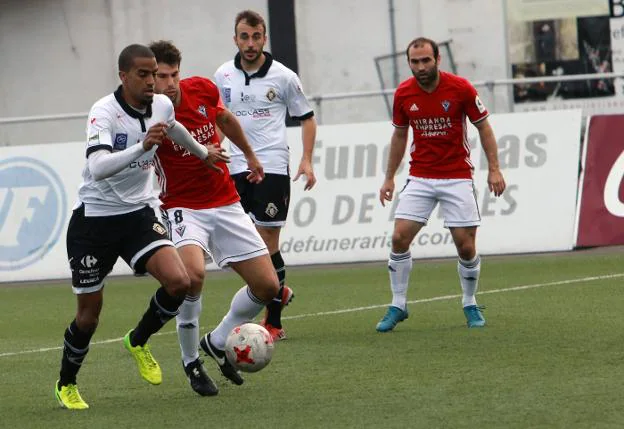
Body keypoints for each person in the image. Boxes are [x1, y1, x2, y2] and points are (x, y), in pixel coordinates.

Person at [55, 44, 229, 410]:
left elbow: (174, 128)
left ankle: (137, 339)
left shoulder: (162, 105)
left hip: (138, 212)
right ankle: (66, 383)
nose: (153, 82)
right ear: (124, 76)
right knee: (88, 317)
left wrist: (203, 154)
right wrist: (141, 147)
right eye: (144, 75)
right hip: (94, 220)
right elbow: (98, 166)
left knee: (180, 282)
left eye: (155, 74)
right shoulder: (104, 112)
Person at [149, 40, 280, 394]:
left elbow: (225, 118)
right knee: (191, 277)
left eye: (174, 74)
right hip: (182, 207)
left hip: (225, 202)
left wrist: (250, 156)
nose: (170, 83)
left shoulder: (203, 89)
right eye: (161, 77)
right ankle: (191, 362)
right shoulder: (148, 116)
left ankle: (218, 340)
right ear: (149, 78)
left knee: (269, 287)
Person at [376, 37, 506, 332]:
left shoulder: (460, 88)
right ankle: (398, 304)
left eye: (426, 61)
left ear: (437, 60)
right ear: (409, 63)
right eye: (414, 62)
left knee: (465, 245)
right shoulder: (403, 94)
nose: (420, 67)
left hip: (456, 176)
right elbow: (399, 136)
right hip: (420, 176)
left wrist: (494, 169)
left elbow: (484, 127)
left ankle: (470, 302)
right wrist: (388, 177)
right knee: (398, 238)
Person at [214, 10, 317, 340]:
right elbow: (218, 118)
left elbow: (307, 118)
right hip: (233, 166)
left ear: (264, 38)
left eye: (256, 36)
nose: (250, 43)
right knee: (230, 244)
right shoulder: (223, 75)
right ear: (235, 39)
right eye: (244, 36)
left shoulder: (285, 77)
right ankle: (278, 290)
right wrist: (213, 150)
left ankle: (273, 321)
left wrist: (307, 160)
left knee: (267, 241)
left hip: (271, 165)